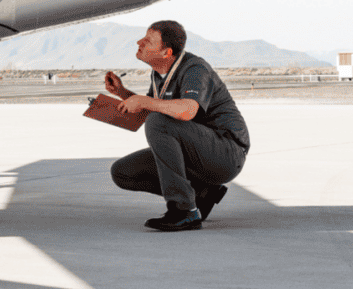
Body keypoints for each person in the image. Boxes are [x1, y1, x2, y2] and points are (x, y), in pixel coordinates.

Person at [106, 20, 249, 232]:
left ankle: (184, 210)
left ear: (166, 53)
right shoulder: (158, 75)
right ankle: (202, 194)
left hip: (226, 153)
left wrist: (145, 102)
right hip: (197, 151)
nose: (139, 42)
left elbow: (188, 110)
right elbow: (151, 111)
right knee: (122, 172)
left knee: (158, 120)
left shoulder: (194, 69)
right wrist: (123, 94)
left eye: (148, 40)